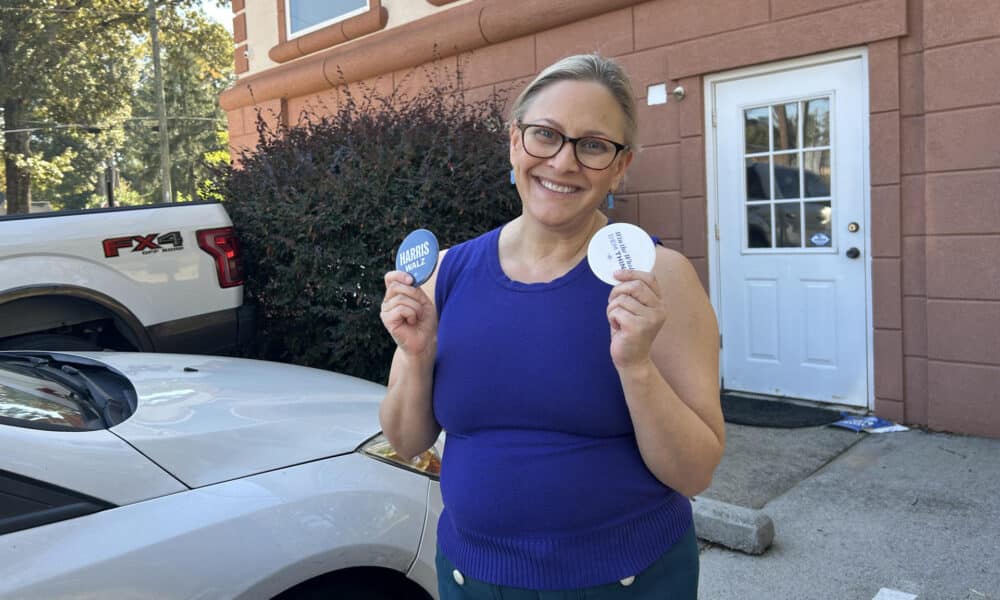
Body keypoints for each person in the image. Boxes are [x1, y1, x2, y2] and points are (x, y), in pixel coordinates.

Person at [379, 54, 724, 598]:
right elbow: (406, 440)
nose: (563, 163)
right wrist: (418, 356)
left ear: (621, 164)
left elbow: (696, 472)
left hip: (628, 582)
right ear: (516, 142)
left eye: (592, 145)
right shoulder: (446, 273)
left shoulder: (661, 279)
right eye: (546, 135)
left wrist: (635, 367)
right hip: (473, 579)